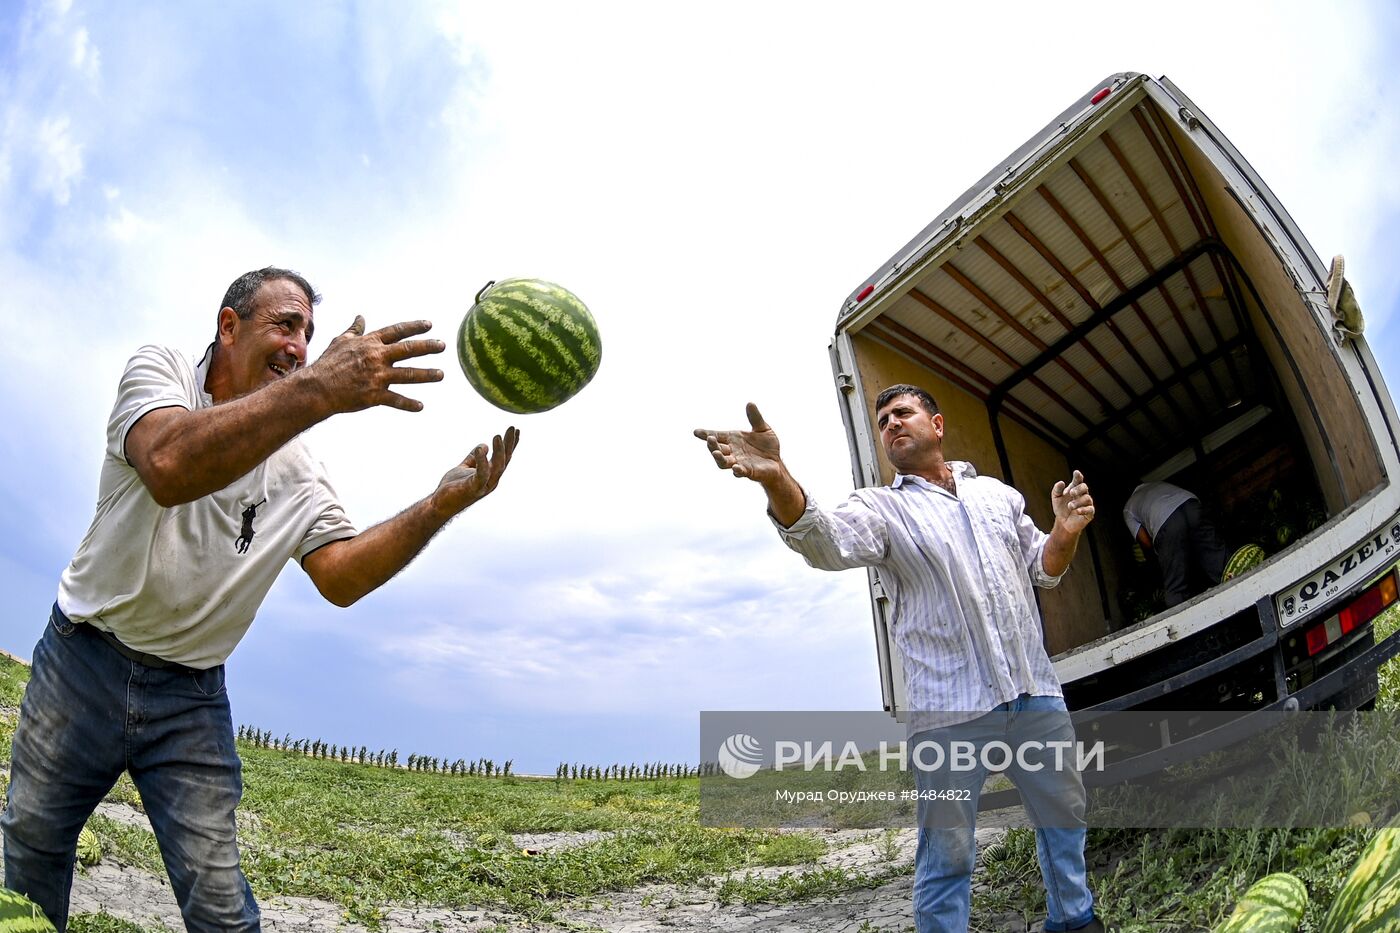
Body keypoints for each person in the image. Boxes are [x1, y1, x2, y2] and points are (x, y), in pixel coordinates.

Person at [2, 267, 519, 932]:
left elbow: (341, 575)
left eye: (308, 333)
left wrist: (439, 504)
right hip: (82, 661)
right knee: (34, 846)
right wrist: (318, 392)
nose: (300, 345)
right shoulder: (162, 374)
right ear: (228, 326)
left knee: (220, 901)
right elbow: (168, 466)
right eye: (285, 324)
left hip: (187, 697)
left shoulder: (299, 468)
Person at [695, 384, 1106, 933]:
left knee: (1064, 822)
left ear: (937, 425)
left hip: (1035, 693)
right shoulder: (882, 508)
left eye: (903, 413)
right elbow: (826, 540)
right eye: (883, 418)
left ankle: (1075, 924)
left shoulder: (998, 497)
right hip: (949, 713)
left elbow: (1044, 568)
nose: (890, 423)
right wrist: (777, 477)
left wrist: (1065, 530)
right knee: (948, 854)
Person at [1122, 481, 1231, 607]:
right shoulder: (1157, 483)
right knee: (1217, 558)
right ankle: (1239, 587)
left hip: (1167, 521)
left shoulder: (1128, 508)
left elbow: (1145, 542)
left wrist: (1163, 553)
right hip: (1191, 505)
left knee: (1175, 585)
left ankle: (1182, 619)